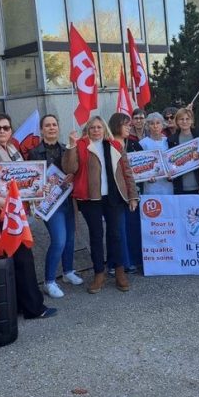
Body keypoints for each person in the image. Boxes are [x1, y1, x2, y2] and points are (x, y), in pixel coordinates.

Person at [0, 113, 56, 319]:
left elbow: (24, 179)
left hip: (15, 214)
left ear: (10, 131)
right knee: (18, 260)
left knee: (20, 261)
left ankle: (20, 306)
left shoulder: (13, 151)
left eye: (6, 128)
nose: (2, 131)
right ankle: (33, 308)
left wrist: (37, 188)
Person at [63, 115, 139, 294]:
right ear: (87, 130)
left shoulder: (115, 145)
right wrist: (72, 146)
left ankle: (119, 271)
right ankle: (99, 273)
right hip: (91, 199)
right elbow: (70, 168)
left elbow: (127, 172)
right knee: (96, 237)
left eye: (99, 127)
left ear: (104, 129)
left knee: (116, 235)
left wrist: (133, 196)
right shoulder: (81, 146)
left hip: (114, 197)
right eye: (92, 127)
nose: (96, 130)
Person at [27, 114, 84, 298]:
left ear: (58, 128)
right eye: (47, 125)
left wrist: (72, 175)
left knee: (70, 239)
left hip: (68, 199)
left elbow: (75, 168)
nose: (51, 128)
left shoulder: (65, 148)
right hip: (50, 204)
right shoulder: (34, 152)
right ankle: (49, 281)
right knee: (59, 240)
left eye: (54, 125)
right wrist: (39, 188)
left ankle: (68, 272)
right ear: (41, 130)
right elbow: (32, 179)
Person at [108, 112, 143, 273]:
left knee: (130, 229)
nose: (130, 127)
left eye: (130, 124)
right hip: (116, 195)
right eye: (126, 124)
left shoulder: (133, 143)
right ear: (117, 126)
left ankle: (129, 261)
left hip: (131, 193)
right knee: (117, 231)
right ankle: (117, 264)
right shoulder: (109, 145)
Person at [167, 107, 199, 194]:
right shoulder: (171, 139)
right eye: (181, 119)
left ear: (192, 121)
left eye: (187, 119)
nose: (184, 121)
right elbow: (170, 161)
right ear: (177, 121)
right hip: (180, 186)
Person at [139, 112, 174, 195]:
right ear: (148, 126)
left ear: (162, 125)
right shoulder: (143, 143)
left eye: (158, 123)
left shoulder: (169, 141)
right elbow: (140, 164)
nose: (155, 126)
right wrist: (146, 176)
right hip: (151, 187)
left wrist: (173, 174)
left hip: (168, 185)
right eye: (152, 124)